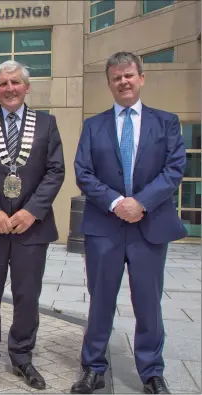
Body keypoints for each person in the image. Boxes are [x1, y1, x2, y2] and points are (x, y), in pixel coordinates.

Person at [72, 51, 187, 394]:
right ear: (109, 83)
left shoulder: (166, 122)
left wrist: (142, 203)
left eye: (129, 75)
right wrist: (117, 202)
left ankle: (152, 371)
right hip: (104, 228)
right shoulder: (94, 125)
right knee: (100, 301)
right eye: (116, 77)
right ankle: (93, 368)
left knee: (148, 303)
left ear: (141, 78)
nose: (123, 81)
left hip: (149, 228)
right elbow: (83, 172)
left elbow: (174, 169)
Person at [0, 60, 65, 390]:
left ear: (26, 87)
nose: (10, 88)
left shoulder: (46, 123)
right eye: (3, 83)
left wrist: (31, 211)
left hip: (31, 227)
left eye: (15, 82)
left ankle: (22, 356)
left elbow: (55, 171)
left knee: (27, 295)